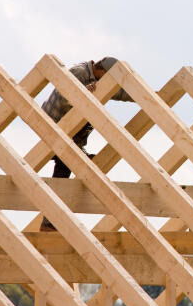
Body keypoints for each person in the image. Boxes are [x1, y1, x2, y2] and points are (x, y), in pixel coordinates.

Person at [39, 57, 134, 231]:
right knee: (66, 164)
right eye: (108, 77)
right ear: (101, 70)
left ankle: (50, 222)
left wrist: (146, 96)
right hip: (53, 123)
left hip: (69, 130)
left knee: (65, 168)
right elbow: (64, 96)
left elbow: (119, 93)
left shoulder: (97, 79)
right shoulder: (80, 73)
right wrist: (83, 94)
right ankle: (49, 223)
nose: (108, 82)